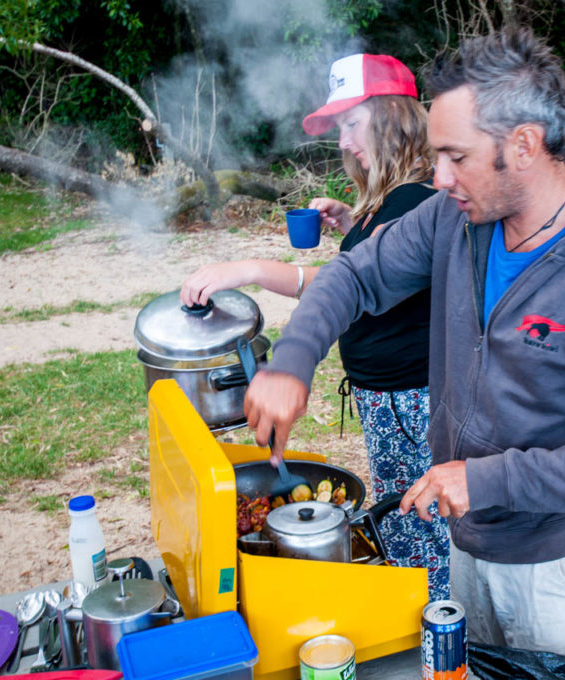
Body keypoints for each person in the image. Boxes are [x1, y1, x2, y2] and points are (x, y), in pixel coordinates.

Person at [243, 29, 565, 673]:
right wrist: (294, 359)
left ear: (524, 144)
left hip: (558, 564)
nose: (438, 177)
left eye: (456, 156)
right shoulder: (455, 220)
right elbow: (353, 275)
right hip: (468, 539)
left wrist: (484, 480)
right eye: (436, 156)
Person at [180, 53, 450, 600]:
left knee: (419, 534)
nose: (345, 142)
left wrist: (251, 269)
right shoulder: (394, 199)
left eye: (352, 124)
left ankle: (437, 630)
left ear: (393, 119)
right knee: (402, 519)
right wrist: (354, 224)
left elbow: (342, 282)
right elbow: (385, 268)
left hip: (410, 400)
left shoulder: (416, 199)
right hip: (390, 399)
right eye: (339, 129)